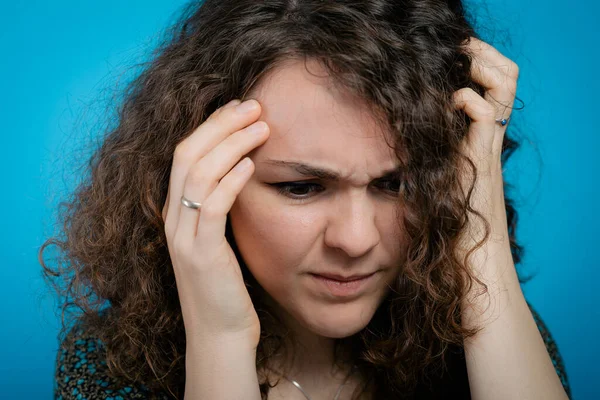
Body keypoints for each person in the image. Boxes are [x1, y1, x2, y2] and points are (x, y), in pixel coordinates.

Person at [41, 0, 572, 399]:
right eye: (302, 187)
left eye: (397, 184)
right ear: (203, 180)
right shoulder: (111, 364)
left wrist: (480, 238)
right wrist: (221, 340)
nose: (356, 240)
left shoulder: (493, 342)